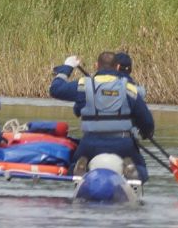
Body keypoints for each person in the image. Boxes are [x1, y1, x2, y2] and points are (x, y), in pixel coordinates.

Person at [49, 51, 155, 181]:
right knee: (141, 168)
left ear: (96, 65)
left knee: (71, 164)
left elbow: (55, 89)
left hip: (90, 143)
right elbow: (147, 121)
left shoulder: (84, 85)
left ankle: (79, 167)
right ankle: (132, 170)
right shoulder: (129, 89)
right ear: (117, 67)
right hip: (123, 144)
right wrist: (146, 133)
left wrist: (67, 67)